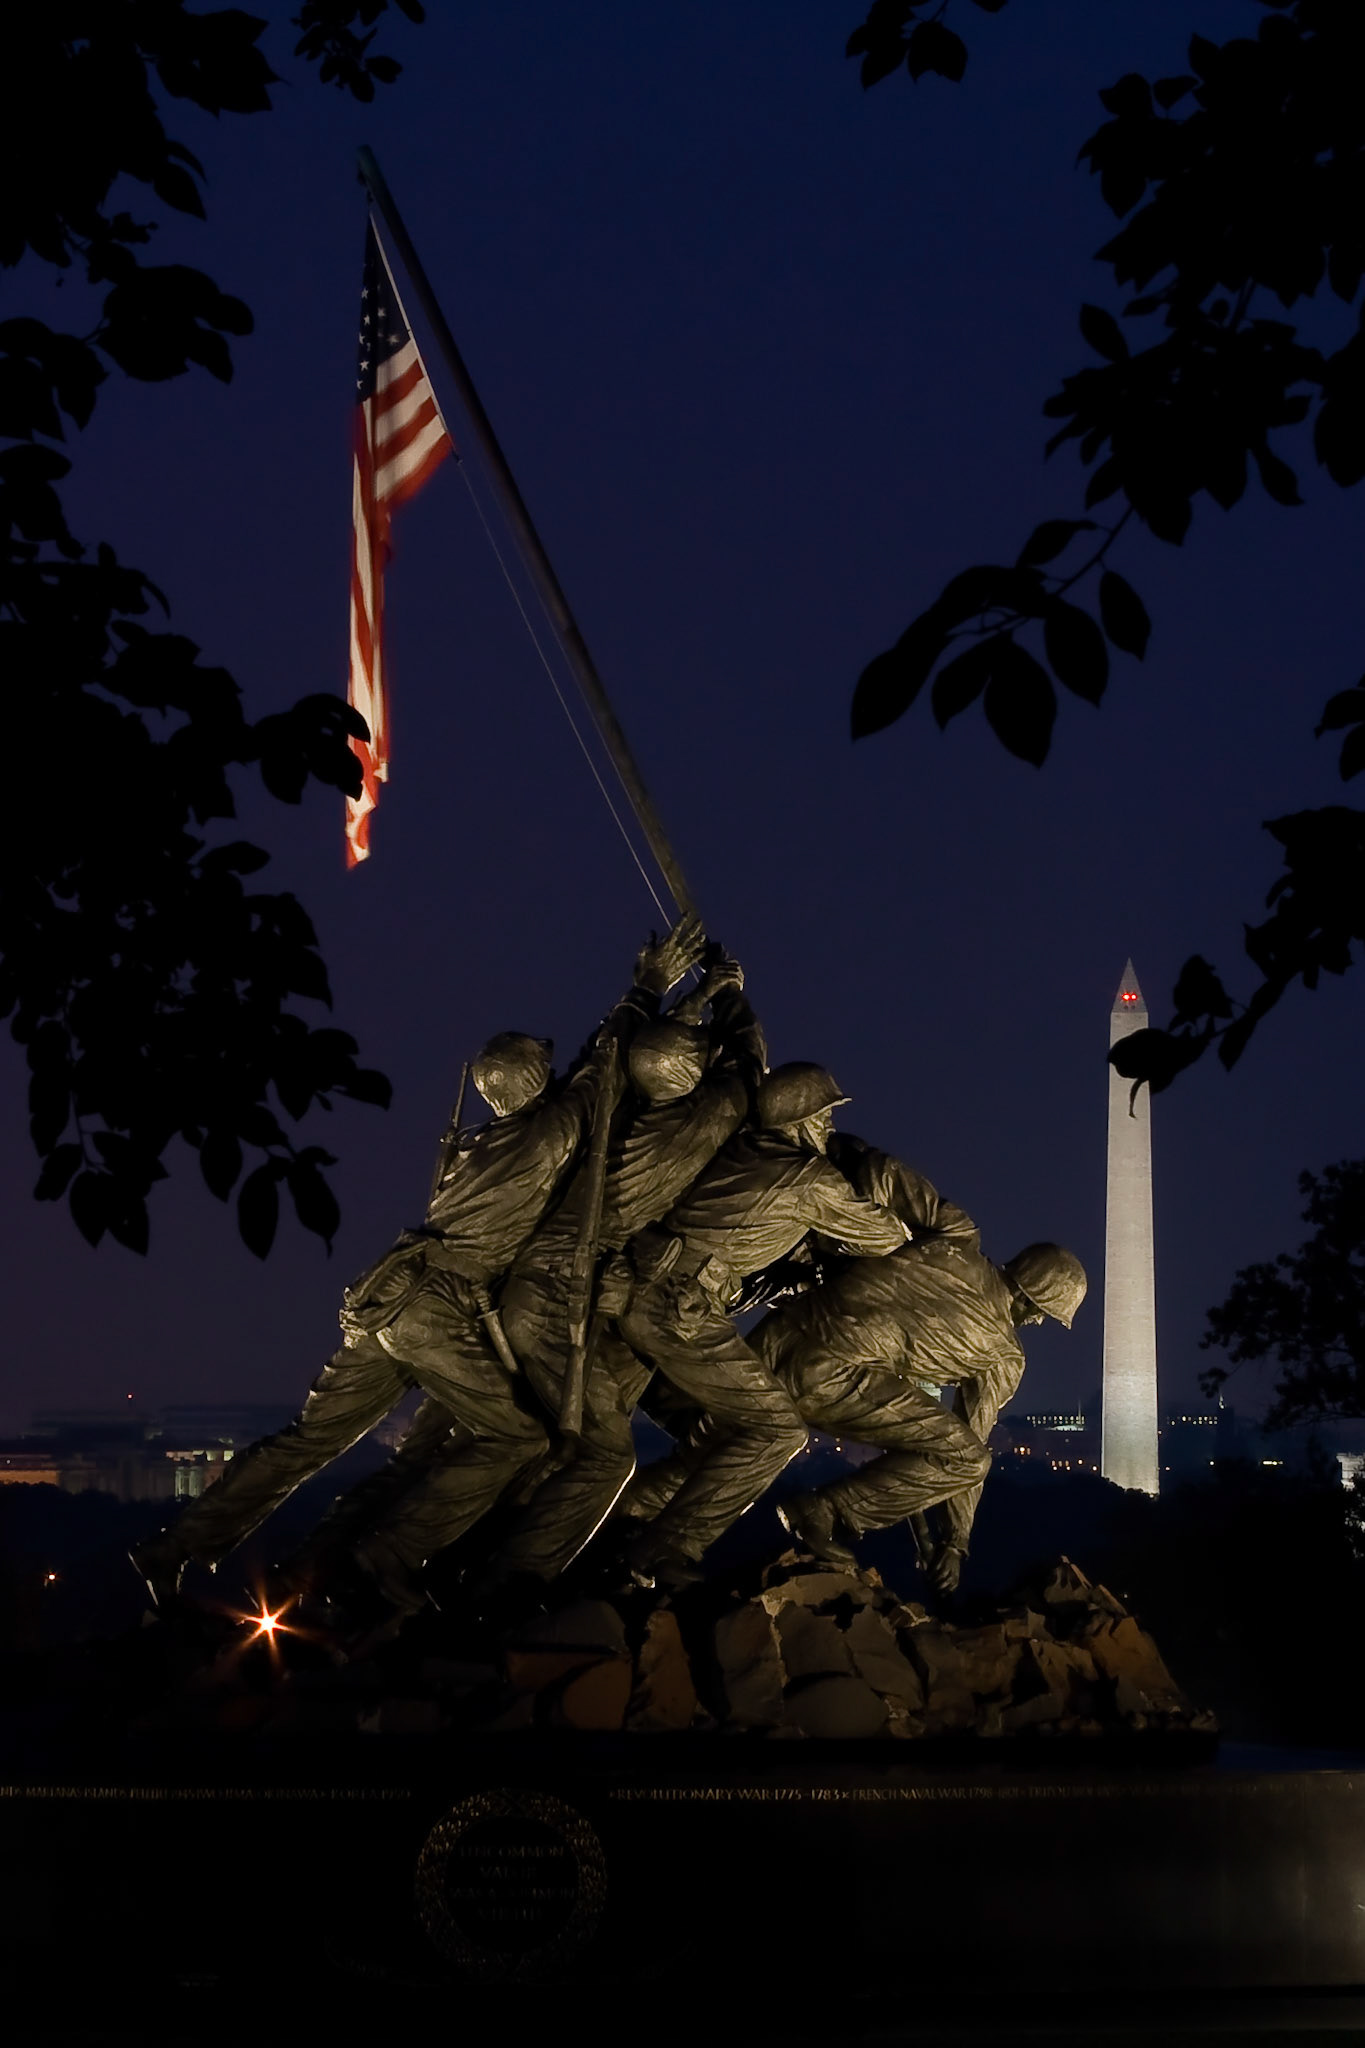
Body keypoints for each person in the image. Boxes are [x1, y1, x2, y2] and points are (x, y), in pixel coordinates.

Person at [128, 917, 704, 1616]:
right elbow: (604, 1064)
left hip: (383, 1298)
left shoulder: (471, 1147)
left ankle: (174, 1546)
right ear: (536, 1083)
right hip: (433, 1308)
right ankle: (391, 1554)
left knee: (306, 1442)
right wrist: (648, 985)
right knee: (516, 1436)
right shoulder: (550, 1135)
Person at [481, 943, 766, 1586]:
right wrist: (731, 996)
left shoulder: (603, 1112)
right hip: (559, 1301)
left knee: (561, 1438)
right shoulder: (693, 1127)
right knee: (604, 1458)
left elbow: (614, 1055)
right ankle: (509, 1583)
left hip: (544, 1292)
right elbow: (748, 1068)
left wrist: (676, 996)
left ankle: (501, 1555)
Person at [609, 1064, 910, 1585]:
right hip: (681, 1309)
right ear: (800, 1122)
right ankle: (663, 1550)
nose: (829, 1132)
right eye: (824, 1119)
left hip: (648, 1290)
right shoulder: (808, 1178)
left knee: (711, 1430)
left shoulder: (744, 1151)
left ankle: (631, 1517)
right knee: (777, 1429)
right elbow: (886, 1238)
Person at [751, 1139, 1085, 1590]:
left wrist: (845, 1241)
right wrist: (955, 1543)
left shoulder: (957, 1235)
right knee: (968, 1458)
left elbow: (883, 1171)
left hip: (773, 1336)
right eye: (1047, 1313)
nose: (1042, 1321)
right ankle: (822, 1511)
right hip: (824, 1378)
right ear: (1034, 1299)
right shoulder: (1004, 1355)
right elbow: (969, 1449)